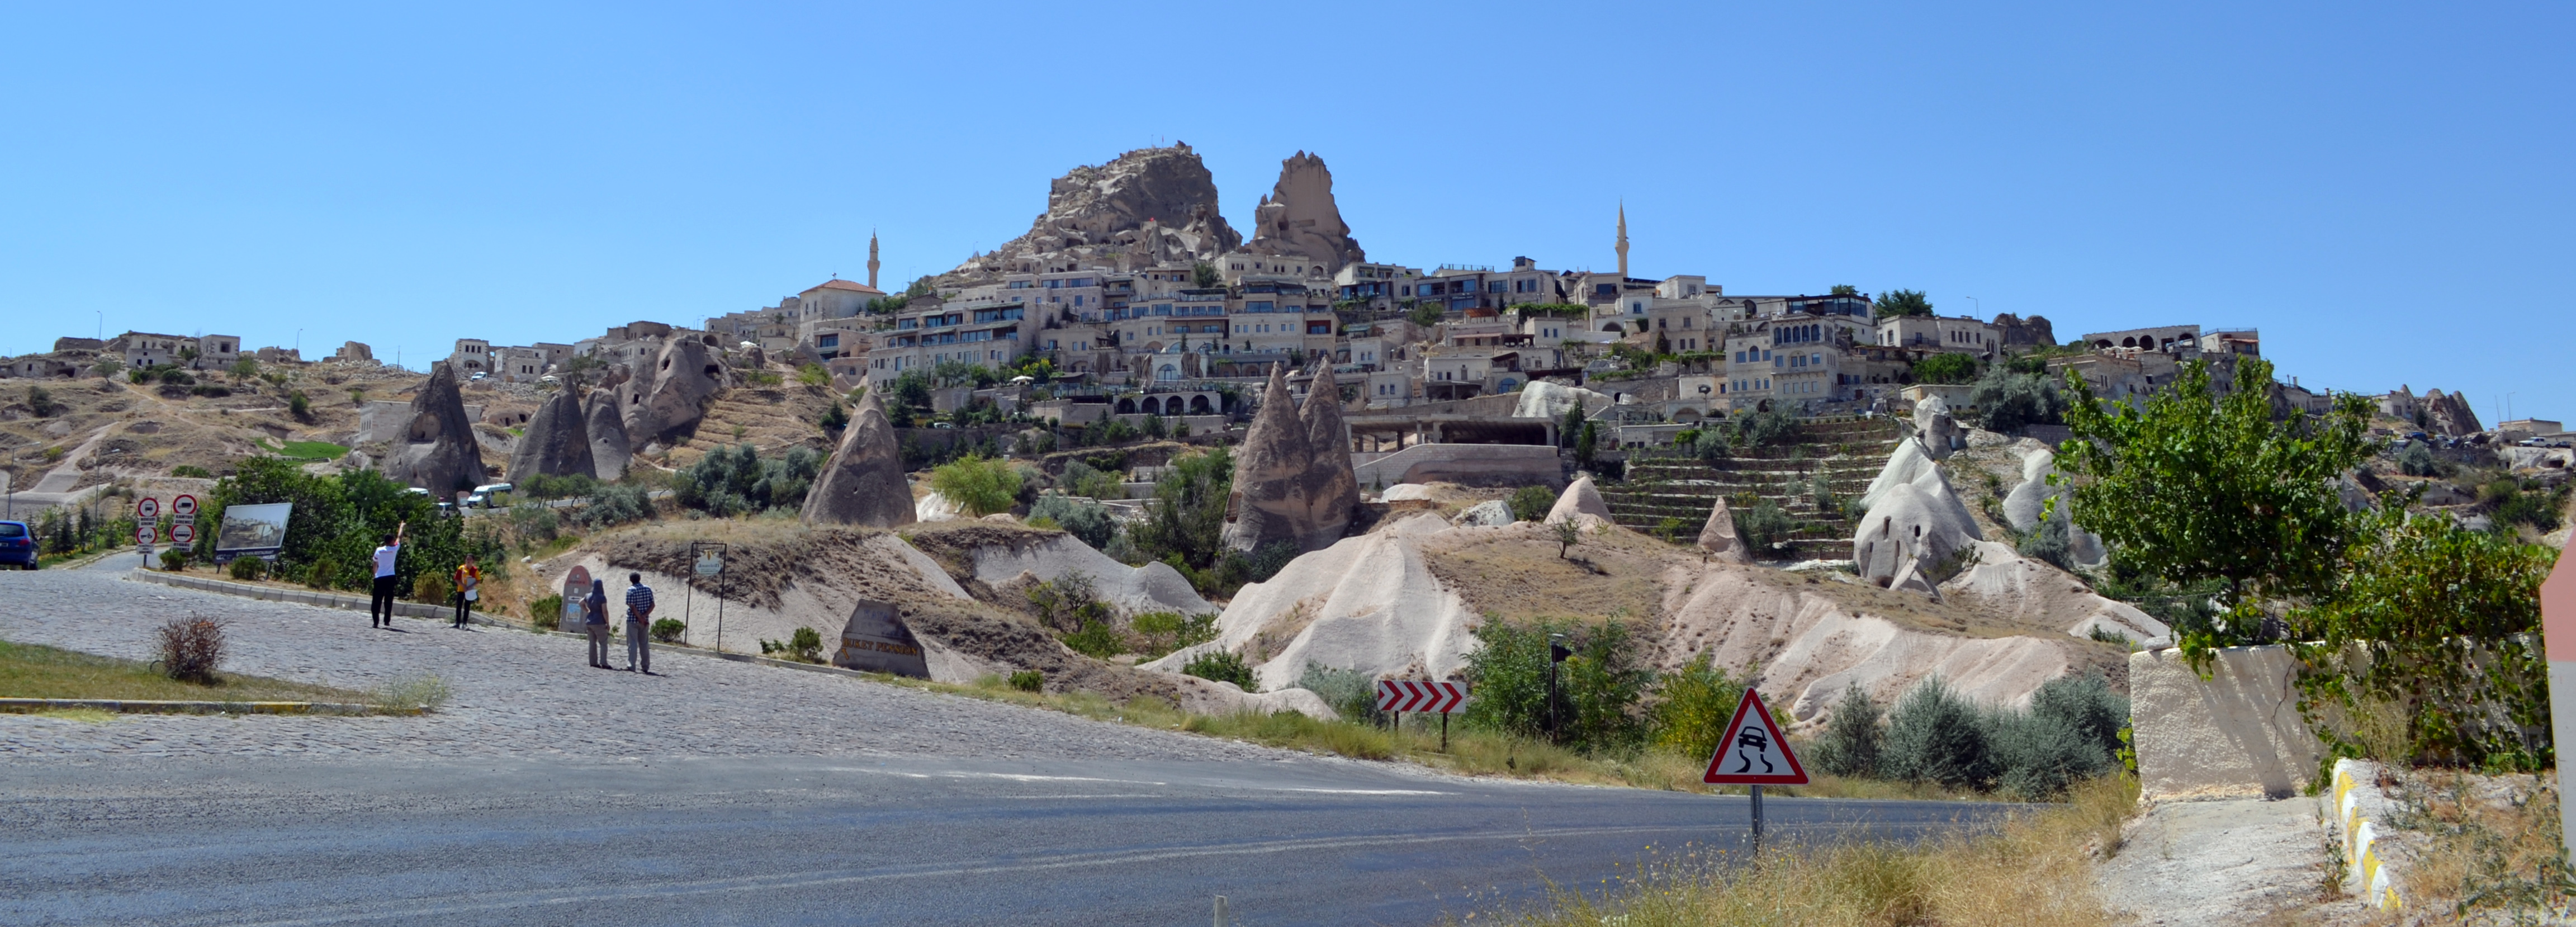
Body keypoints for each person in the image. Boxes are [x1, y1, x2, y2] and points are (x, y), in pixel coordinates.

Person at [369, 521, 407, 628]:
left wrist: (375, 575)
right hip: (390, 577)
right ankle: (387, 621)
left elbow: (375, 564)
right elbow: (400, 537)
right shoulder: (394, 549)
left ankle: (376, 621)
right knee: (388, 600)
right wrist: (401, 527)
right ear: (391, 541)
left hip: (380, 577)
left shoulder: (379, 550)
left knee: (376, 600)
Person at [623, 572, 655, 673]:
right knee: (644, 644)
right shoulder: (648, 589)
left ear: (631, 580)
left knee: (632, 643)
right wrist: (644, 617)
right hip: (645, 621)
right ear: (640, 578)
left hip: (633, 620)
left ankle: (631, 665)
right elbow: (653, 605)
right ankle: (645, 666)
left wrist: (639, 618)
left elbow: (632, 606)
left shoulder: (631, 590)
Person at [583, 579, 611, 669]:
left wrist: (587, 610)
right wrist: (608, 623)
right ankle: (604, 662)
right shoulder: (602, 597)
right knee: (603, 643)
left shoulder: (588, 596)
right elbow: (605, 611)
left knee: (592, 643)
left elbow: (580, 603)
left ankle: (593, 662)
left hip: (589, 621)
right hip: (599, 622)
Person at [451, 555, 481, 629]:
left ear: (473, 561)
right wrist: (463, 585)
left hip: (469, 591)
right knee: (459, 606)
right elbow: (457, 579)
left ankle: (465, 623)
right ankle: (457, 622)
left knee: (467, 606)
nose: (468, 561)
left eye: (470, 559)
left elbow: (479, 580)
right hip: (461, 589)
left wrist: (471, 586)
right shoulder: (462, 568)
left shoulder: (475, 570)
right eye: (467, 559)